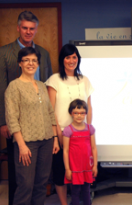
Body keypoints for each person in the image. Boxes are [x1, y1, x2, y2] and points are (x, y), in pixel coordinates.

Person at [0, 10, 53, 205]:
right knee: (22, 179)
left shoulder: (43, 53)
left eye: (32, 29)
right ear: (18, 28)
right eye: (25, 28)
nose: (28, 32)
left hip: (42, 125)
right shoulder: (3, 53)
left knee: (39, 181)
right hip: (19, 125)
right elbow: (1, 89)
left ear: (36, 30)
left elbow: (49, 84)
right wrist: (4, 123)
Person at [4, 47, 59, 205]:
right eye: (27, 60)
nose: (31, 63)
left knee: (41, 184)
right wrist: (21, 145)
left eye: (34, 60)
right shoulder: (14, 87)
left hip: (47, 140)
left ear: (38, 64)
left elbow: (50, 112)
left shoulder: (42, 85)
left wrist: (55, 138)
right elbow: (12, 118)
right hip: (27, 143)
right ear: (20, 63)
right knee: (25, 185)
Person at [46, 44, 94, 205]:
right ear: (62, 60)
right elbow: (50, 110)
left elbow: (89, 107)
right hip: (61, 134)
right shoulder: (54, 79)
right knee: (61, 171)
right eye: (68, 57)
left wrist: (89, 130)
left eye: (74, 57)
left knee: (80, 169)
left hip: (81, 135)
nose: (71, 60)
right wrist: (55, 135)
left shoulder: (84, 80)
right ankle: (64, 203)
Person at [63, 99, 98, 205]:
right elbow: (65, 150)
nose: (79, 116)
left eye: (82, 113)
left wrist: (95, 165)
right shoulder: (68, 130)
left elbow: (93, 148)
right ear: (71, 114)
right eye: (76, 113)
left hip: (87, 167)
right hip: (74, 168)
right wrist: (67, 169)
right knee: (75, 191)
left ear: (86, 114)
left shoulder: (90, 129)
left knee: (86, 191)